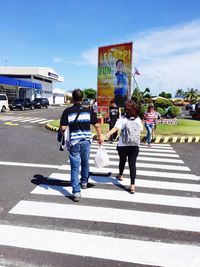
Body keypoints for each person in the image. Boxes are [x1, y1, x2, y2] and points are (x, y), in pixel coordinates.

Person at [60, 89, 103, 202]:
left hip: (74, 142)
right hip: (86, 141)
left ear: (73, 99)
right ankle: (84, 182)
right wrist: (99, 137)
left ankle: (76, 192)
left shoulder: (67, 111)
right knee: (85, 162)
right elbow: (97, 125)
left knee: (74, 167)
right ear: (82, 98)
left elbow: (63, 128)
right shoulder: (88, 111)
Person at [106, 100, 143, 193]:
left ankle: (121, 175)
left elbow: (115, 128)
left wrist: (107, 134)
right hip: (134, 145)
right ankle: (132, 185)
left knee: (122, 160)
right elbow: (141, 130)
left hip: (123, 145)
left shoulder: (122, 119)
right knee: (132, 164)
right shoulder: (137, 119)